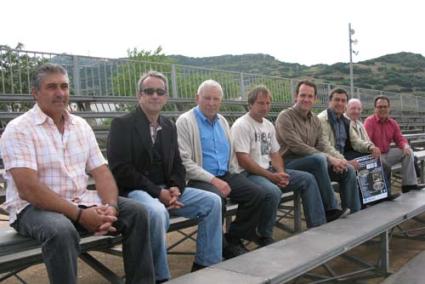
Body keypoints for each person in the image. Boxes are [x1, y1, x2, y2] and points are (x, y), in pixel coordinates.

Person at [0, 63, 154, 284]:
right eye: (52, 87)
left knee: (137, 212)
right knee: (61, 230)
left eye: (64, 86)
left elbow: (101, 171)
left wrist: (110, 206)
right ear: (35, 93)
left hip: (79, 199)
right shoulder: (18, 129)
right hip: (31, 208)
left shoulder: (80, 126)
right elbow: (29, 189)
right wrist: (81, 215)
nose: (60, 93)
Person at [107, 71, 222, 281]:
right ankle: (160, 276)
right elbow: (121, 169)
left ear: (166, 97)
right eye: (149, 91)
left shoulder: (169, 125)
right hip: (135, 192)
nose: (155, 96)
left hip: (165, 190)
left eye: (160, 91)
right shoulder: (122, 124)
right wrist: (158, 192)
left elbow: (178, 164)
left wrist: (176, 186)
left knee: (212, 202)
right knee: (157, 213)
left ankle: (206, 264)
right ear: (139, 95)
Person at [176, 79, 269, 253]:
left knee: (257, 194)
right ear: (197, 98)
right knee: (217, 198)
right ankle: (215, 247)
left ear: (221, 100)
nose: (211, 103)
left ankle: (232, 240)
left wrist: (235, 175)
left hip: (225, 174)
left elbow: (231, 154)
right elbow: (184, 162)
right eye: (207, 98)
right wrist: (213, 180)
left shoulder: (223, 122)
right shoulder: (185, 122)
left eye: (216, 99)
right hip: (198, 178)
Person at [231, 85, 326, 229]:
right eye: (260, 103)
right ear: (250, 104)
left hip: (268, 170)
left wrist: (280, 172)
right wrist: (271, 176)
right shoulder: (242, 125)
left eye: (268, 103)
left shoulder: (268, 125)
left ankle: (318, 225)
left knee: (307, 179)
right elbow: (243, 160)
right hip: (248, 174)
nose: (265, 107)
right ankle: (264, 235)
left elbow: (275, 154)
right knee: (273, 192)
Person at [275, 80, 360, 217]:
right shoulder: (285, 116)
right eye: (303, 95)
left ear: (315, 99)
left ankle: (354, 214)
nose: (306, 99)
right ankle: (331, 209)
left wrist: (340, 161)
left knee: (347, 170)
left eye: (310, 96)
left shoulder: (314, 119)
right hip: (289, 163)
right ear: (296, 96)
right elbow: (296, 146)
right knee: (319, 159)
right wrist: (328, 158)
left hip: (314, 163)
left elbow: (322, 145)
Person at [364, 95, 425, 193]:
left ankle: (409, 185)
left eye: (385, 106)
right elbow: (366, 141)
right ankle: (386, 193)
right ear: (375, 109)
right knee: (383, 164)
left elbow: (400, 139)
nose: (383, 109)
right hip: (374, 156)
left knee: (407, 152)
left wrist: (405, 146)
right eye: (380, 107)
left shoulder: (393, 123)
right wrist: (372, 148)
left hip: (387, 154)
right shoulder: (369, 122)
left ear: (389, 108)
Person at [318, 89, 380, 162]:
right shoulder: (322, 119)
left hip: (343, 155)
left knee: (377, 161)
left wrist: (370, 147)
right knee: (354, 168)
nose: (340, 103)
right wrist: (345, 162)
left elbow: (356, 141)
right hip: (329, 159)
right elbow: (325, 147)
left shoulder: (345, 121)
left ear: (346, 104)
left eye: (343, 101)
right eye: (337, 100)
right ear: (330, 102)